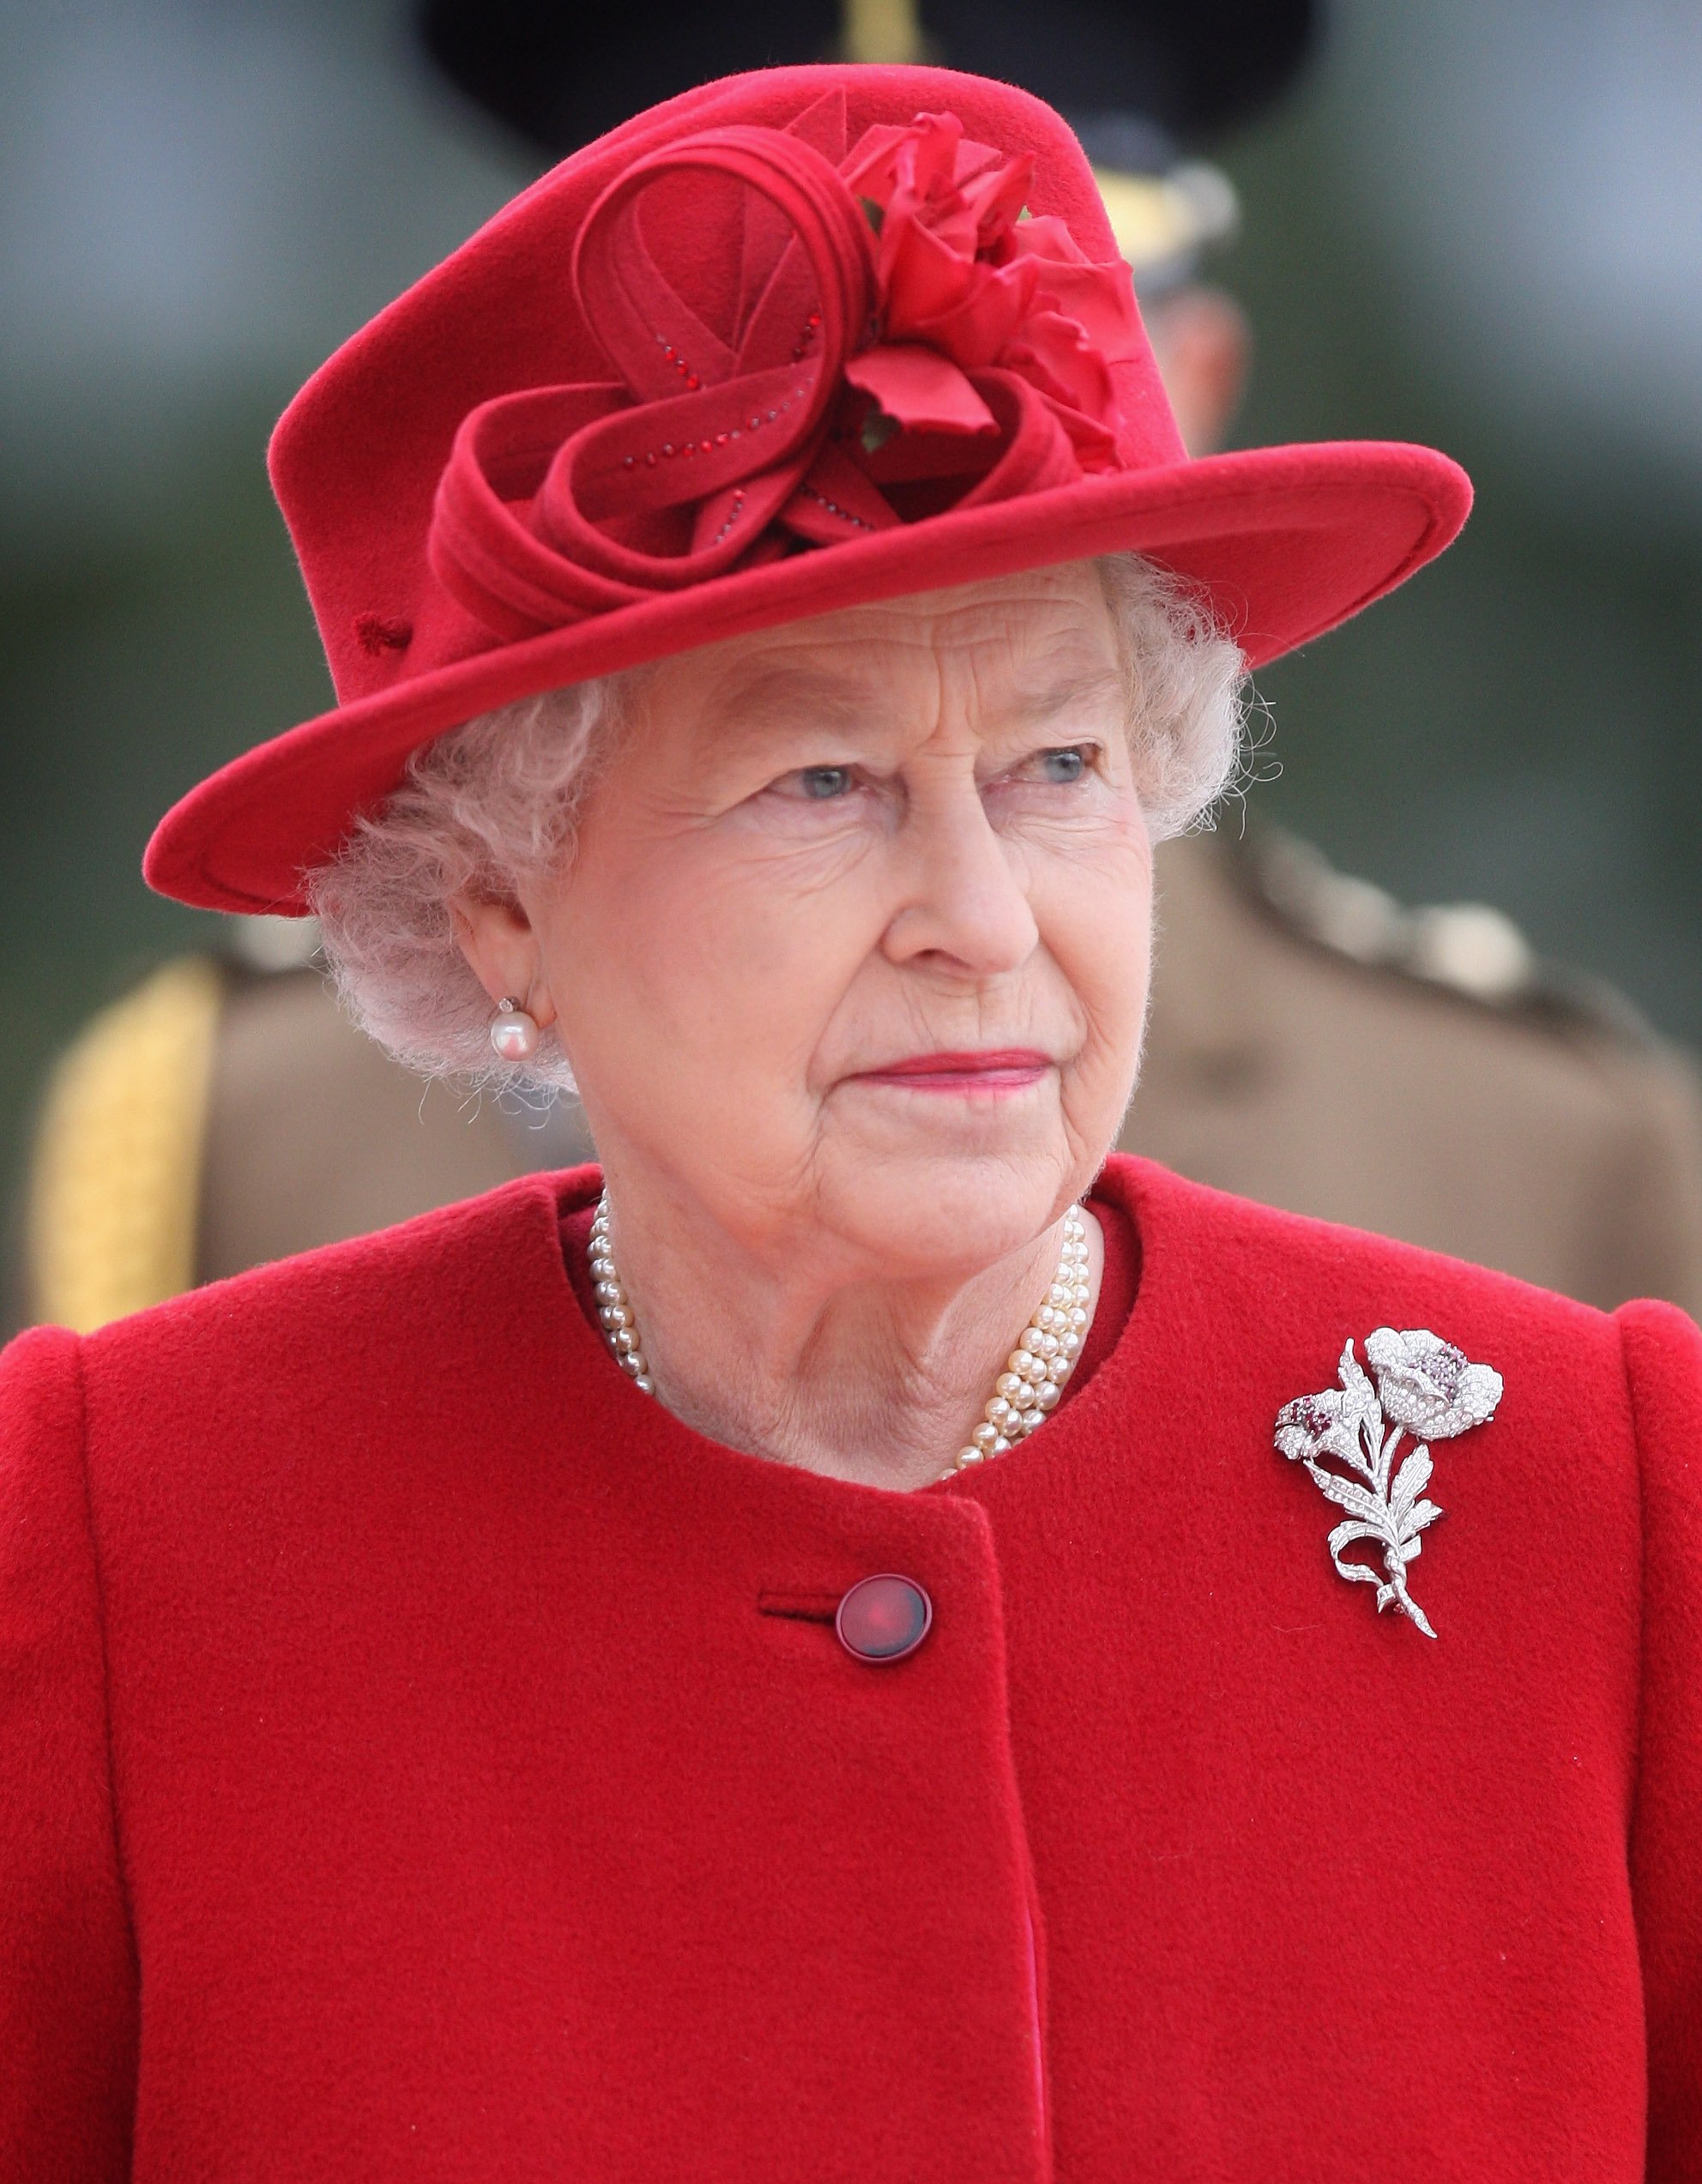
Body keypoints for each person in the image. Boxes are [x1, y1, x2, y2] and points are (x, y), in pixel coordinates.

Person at [3, 63, 1698, 2184]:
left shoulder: (1605, 1506)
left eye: (1060, 766)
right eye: (819, 784)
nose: (983, 923)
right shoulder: (106, 1550)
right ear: (503, 909)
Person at [20, 0, 1702, 1335]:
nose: (898, 449)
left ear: (1187, 379)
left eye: (1013, 349)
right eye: (722, 381)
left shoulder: (1541, 1145)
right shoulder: (234, 1134)